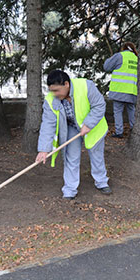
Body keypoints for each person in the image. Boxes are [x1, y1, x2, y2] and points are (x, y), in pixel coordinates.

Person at [36, 70, 112, 200]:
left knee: (96, 155)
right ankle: (70, 189)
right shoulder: (50, 99)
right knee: (71, 157)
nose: (54, 94)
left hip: (92, 125)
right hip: (70, 127)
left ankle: (101, 182)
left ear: (66, 84)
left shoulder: (86, 86)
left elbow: (99, 105)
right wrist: (43, 149)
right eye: (52, 91)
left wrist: (88, 124)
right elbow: (48, 124)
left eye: (57, 90)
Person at [103, 42, 138, 138]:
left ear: (123, 48)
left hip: (119, 89)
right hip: (132, 90)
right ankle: (134, 130)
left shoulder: (119, 56)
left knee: (118, 110)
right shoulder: (137, 58)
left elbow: (106, 67)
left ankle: (119, 132)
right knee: (131, 109)